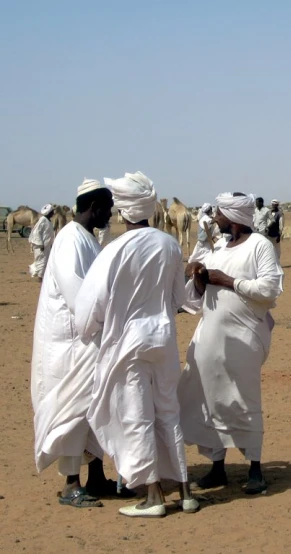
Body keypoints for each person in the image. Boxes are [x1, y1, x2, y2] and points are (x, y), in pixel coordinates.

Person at [75, 171, 198, 517]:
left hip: (129, 345)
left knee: (137, 416)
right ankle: (186, 492)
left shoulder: (112, 252)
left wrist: (90, 333)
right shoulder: (169, 245)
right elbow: (180, 300)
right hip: (163, 339)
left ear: (124, 212)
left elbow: (89, 310)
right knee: (169, 412)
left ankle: (154, 496)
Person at [31, 179, 129, 508]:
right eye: (107, 208)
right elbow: (79, 297)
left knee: (94, 408)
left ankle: (97, 477)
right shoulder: (70, 240)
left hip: (88, 340)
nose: (111, 213)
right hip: (68, 346)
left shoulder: (88, 240)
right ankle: (72, 484)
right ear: (92, 207)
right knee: (73, 411)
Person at [179, 192, 283, 494]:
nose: (215, 219)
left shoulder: (260, 246)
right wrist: (198, 275)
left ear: (235, 219)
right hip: (209, 339)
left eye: (220, 215)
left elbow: (269, 288)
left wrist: (227, 281)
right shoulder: (220, 248)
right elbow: (198, 296)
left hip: (243, 339)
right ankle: (217, 468)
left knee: (244, 400)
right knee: (212, 401)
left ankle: (255, 469)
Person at [28, 204, 55, 280]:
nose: (53, 213)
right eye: (52, 211)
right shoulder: (43, 220)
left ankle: (39, 274)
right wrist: (40, 244)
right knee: (41, 261)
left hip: (47, 245)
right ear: (49, 212)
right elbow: (37, 232)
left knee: (44, 260)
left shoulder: (48, 221)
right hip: (41, 246)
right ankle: (40, 277)